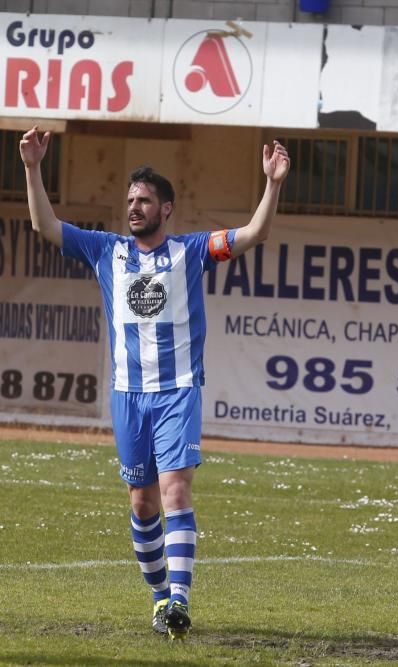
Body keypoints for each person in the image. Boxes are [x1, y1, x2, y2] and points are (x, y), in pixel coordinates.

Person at [19, 126, 290, 640]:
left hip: (178, 391)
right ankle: (162, 598)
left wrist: (272, 184)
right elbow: (46, 225)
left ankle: (181, 601)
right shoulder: (105, 250)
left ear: (167, 208)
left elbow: (253, 234)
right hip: (128, 396)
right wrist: (33, 168)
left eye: (144, 200)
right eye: (130, 200)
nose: (134, 207)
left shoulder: (192, 251)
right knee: (141, 505)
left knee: (175, 493)